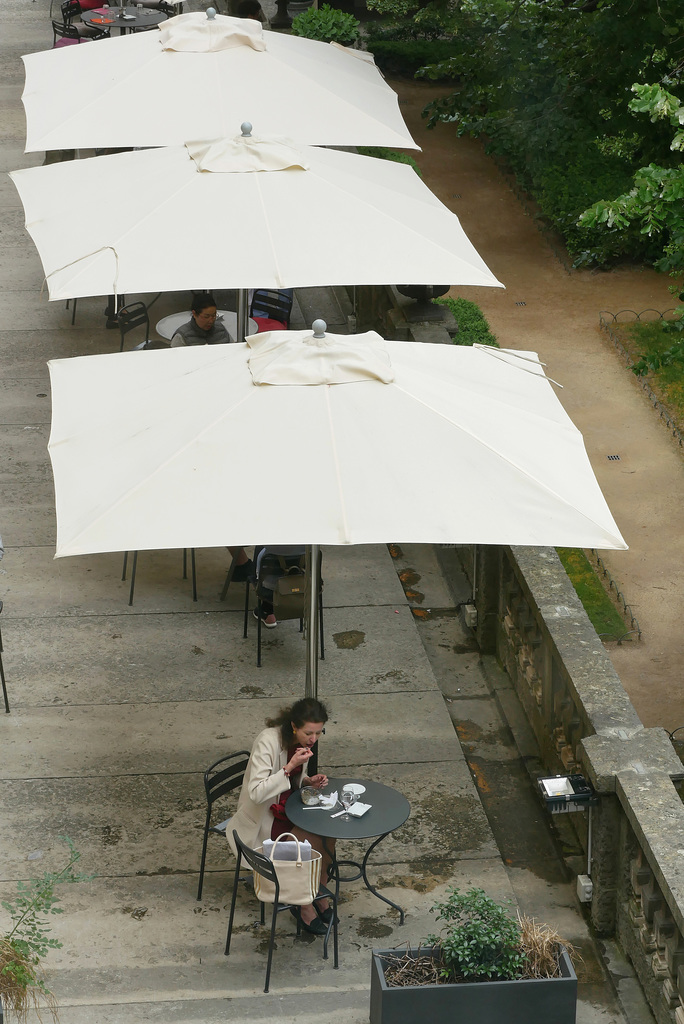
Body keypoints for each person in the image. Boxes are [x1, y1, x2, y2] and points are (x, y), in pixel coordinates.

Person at [228, 697, 334, 935]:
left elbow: (293, 778)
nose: (313, 739)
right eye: (309, 733)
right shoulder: (268, 741)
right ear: (294, 726)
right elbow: (256, 792)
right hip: (264, 818)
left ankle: (318, 890)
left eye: (319, 733)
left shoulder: (300, 740)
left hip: (289, 807)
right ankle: (304, 905)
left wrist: (307, 781)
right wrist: (290, 767)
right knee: (306, 843)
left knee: (327, 833)